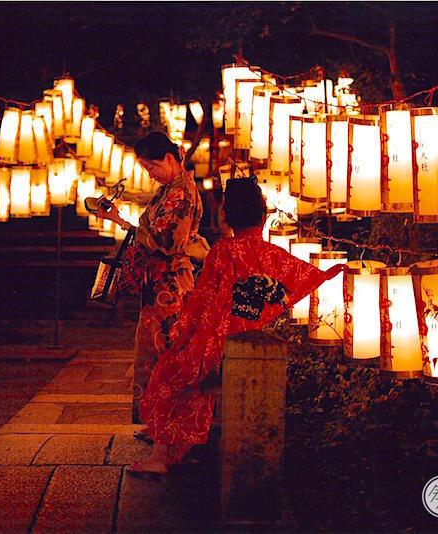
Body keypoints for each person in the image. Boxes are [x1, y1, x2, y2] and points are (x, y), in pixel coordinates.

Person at [128, 178, 345, 474]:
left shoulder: (223, 251)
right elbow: (304, 276)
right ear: (262, 215)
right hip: (244, 335)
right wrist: (332, 272)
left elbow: (200, 302)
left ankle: (160, 455)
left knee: (170, 371)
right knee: (179, 370)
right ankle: (171, 445)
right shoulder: (271, 254)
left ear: (227, 216)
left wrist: (181, 336)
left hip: (215, 342)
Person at [95, 131, 206, 425]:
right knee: (153, 353)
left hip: (169, 287)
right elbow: (152, 235)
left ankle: (165, 426)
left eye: (152, 167)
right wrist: (119, 220)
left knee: (164, 355)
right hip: (159, 285)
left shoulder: (181, 192)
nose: (151, 175)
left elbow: (165, 242)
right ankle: (157, 424)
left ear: (169, 159)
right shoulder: (171, 189)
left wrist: (130, 228)